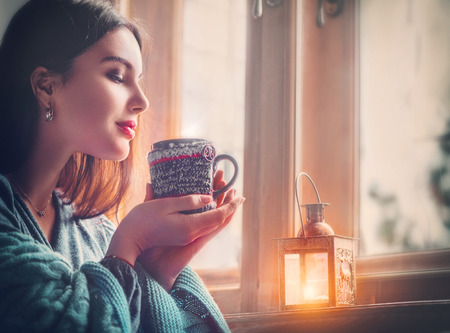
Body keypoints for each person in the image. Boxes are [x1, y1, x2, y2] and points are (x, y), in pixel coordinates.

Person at [0, 0, 244, 332]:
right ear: (46, 86)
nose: (142, 101)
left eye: (139, 79)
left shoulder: (96, 231)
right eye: (117, 75)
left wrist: (158, 271)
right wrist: (126, 249)